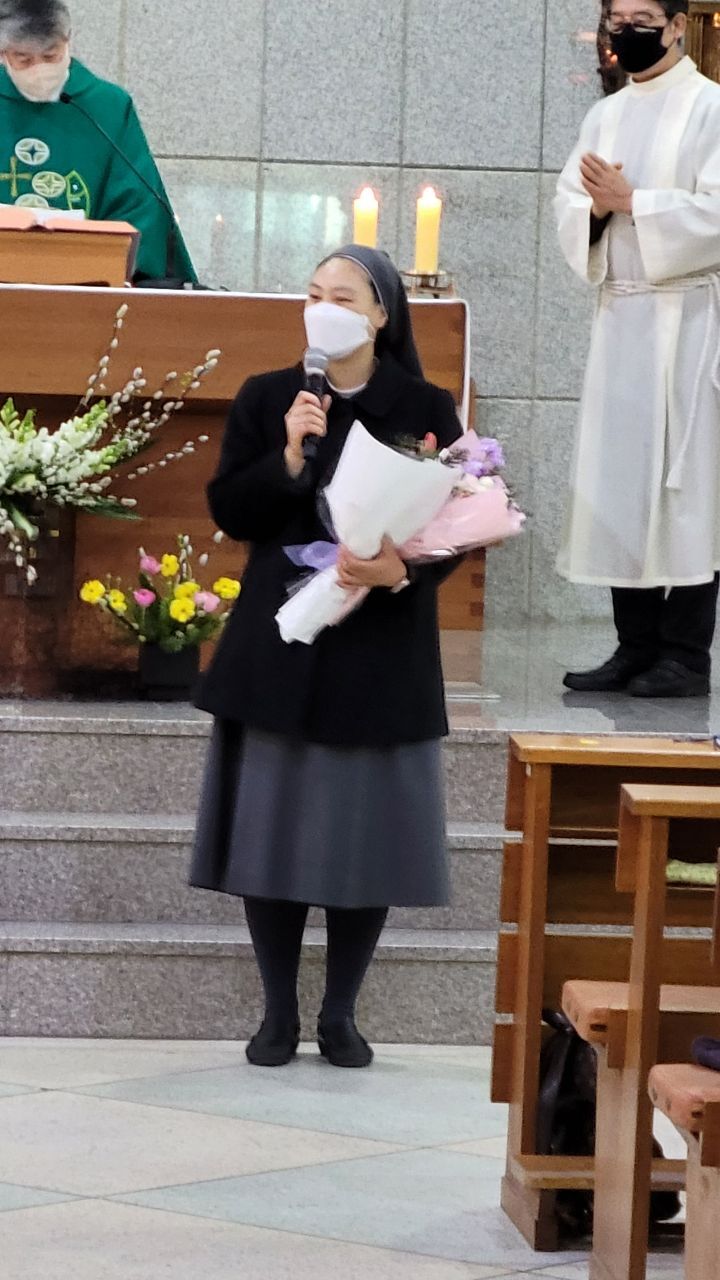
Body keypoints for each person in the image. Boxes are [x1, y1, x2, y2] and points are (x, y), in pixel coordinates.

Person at [190, 245, 462, 1069]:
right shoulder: (270, 395)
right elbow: (232, 510)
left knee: (361, 844)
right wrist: (288, 457)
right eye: (313, 294)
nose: (323, 308)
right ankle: (278, 1011)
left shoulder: (424, 406)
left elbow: (459, 521)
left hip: (378, 644)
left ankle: (340, 1012)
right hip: (282, 637)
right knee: (271, 838)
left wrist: (400, 570)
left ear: (381, 314)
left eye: (342, 297)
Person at [556, 0, 720, 698]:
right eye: (617, 17)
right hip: (623, 318)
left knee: (688, 491)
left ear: (677, 25)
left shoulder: (712, 109)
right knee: (622, 482)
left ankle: (686, 655)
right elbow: (570, 204)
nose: (627, 29)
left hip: (689, 323)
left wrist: (635, 202)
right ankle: (634, 645)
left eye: (643, 16)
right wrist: (594, 210)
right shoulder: (605, 115)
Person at [0, 0, 196, 284]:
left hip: (87, 288)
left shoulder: (108, 107)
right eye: (24, 59)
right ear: (3, 53)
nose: (39, 68)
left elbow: (138, 208)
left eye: (50, 55)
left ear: (68, 40)